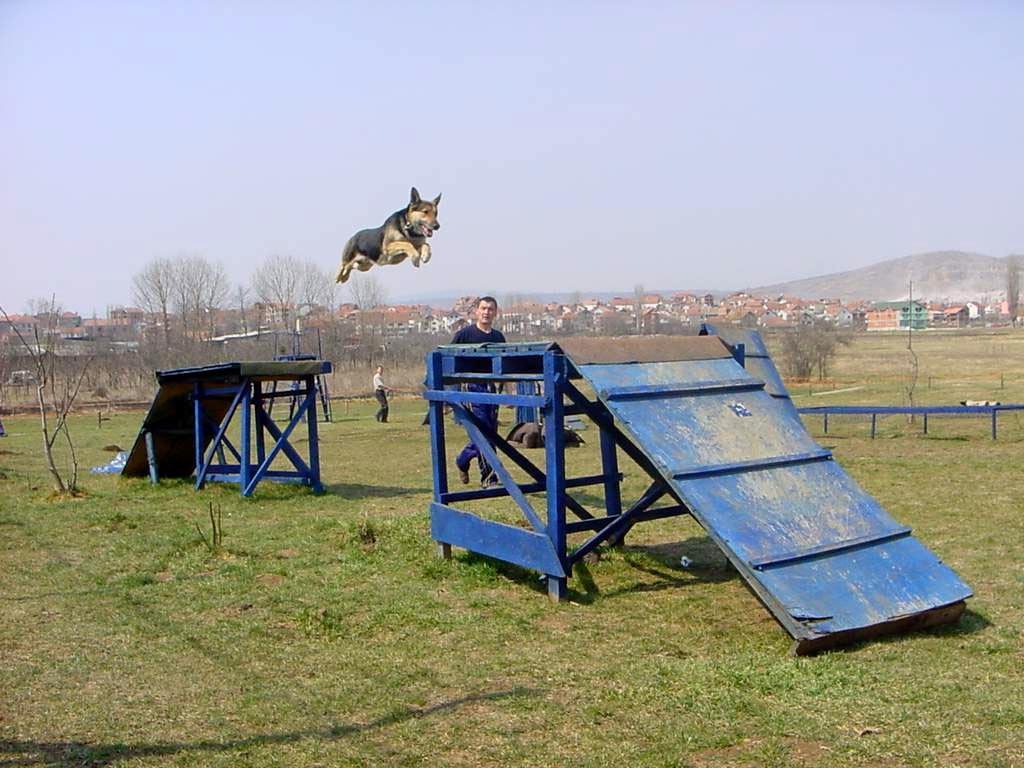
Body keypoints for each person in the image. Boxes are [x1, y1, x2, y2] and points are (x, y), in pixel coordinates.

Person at [450, 296, 506, 486]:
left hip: (491, 388)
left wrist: (509, 389)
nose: (486, 312)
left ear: (495, 313)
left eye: (490, 309)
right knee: (482, 431)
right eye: (483, 308)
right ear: (477, 311)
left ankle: (463, 459)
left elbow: (505, 364)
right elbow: (447, 359)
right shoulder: (465, 335)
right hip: (470, 386)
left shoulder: (498, 338)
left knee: (490, 432)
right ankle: (489, 477)